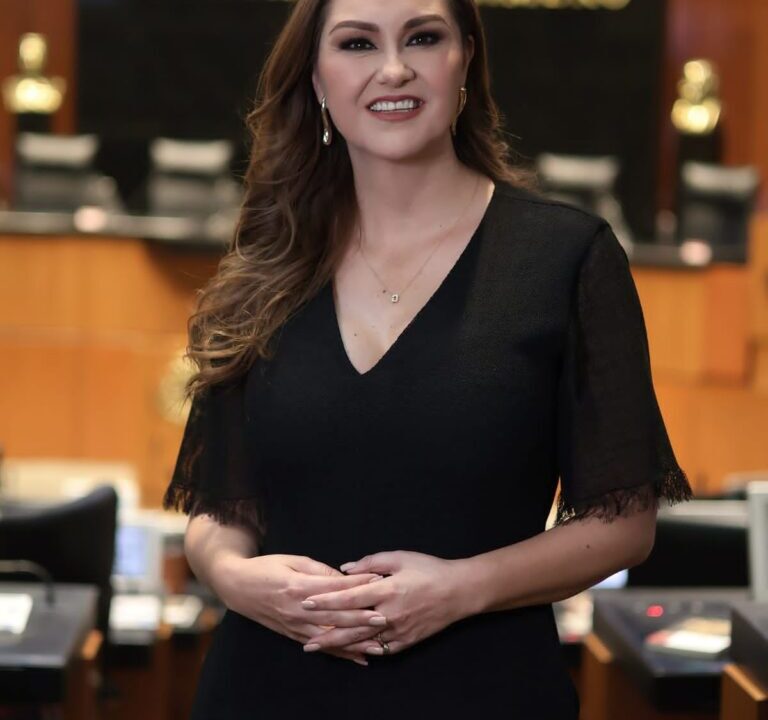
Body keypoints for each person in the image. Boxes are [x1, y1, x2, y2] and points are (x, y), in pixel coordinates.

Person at [163, 0, 694, 717]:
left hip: (483, 689)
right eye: (357, 43)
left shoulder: (566, 257)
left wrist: (460, 589)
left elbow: (623, 523)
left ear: (465, 58)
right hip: (267, 686)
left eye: (422, 37)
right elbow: (218, 507)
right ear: (316, 78)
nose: (393, 69)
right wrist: (232, 578)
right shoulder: (266, 261)